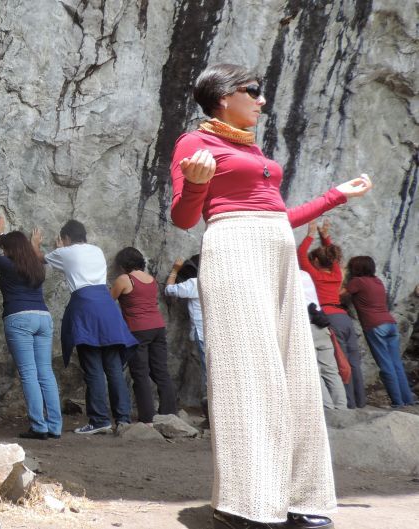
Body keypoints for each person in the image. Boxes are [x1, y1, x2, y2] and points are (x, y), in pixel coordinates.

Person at [170, 63, 372, 528]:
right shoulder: (195, 142)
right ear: (223, 96)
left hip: (275, 255)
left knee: (294, 372)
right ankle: (246, 504)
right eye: (253, 92)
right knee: (249, 373)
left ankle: (299, 497)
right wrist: (198, 184)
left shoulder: (248, 145)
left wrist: (335, 195)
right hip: (234, 251)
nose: (262, 100)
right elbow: (184, 217)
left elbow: (278, 215)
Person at [37, 220, 137, 434]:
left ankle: (100, 420)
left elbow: (40, 259)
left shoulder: (65, 252)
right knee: (113, 368)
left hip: (85, 308)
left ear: (66, 238)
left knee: (93, 368)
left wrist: (36, 244)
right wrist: (62, 250)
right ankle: (123, 419)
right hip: (107, 307)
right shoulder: (96, 250)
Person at [0, 214, 61, 440]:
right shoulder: (36, 266)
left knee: (29, 374)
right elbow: (15, 250)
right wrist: (1, 233)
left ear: (10, 250)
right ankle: (55, 426)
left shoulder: (8, 265)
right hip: (43, 317)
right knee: (46, 373)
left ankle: (39, 427)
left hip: (19, 318)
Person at [298, 220, 365, 408]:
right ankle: (358, 401)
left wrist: (310, 233)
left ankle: (346, 405)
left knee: (336, 363)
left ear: (316, 262)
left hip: (328, 318)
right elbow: (334, 258)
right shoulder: (336, 275)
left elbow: (301, 254)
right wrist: (325, 236)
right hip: (344, 317)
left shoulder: (314, 275)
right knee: (352, 361)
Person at [112, 246, 177, 425]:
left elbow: (110, 301)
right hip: (158, 327)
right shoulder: (151, 280)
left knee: (140, 373)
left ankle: (147, 417)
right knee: (161, 371)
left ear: (123, 264)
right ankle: (170, 413)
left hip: (137, 330)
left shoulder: (124, 279)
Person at [345, 256, 415, 407]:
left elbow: (339, 294)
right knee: (396, 364)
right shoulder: (377, 281)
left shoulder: (358, 282)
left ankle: (397, 402)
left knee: (386, 366)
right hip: (390, 324)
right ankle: (407, 400)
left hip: (375, 327)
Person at [299, 270, 348, 410]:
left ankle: (328, 408)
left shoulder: (289, 277)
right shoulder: (305, 274)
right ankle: (342, 408)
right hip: (321, 325)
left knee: (315, 372)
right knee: (331, 371)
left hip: (307, 327)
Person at [165, 254, 206, 397]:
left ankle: (211, 407)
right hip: (220, 332)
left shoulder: (195, 283)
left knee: (208, 370)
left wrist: (175, 270)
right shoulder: (218, 280)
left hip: (203, 333)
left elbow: (169, 290)